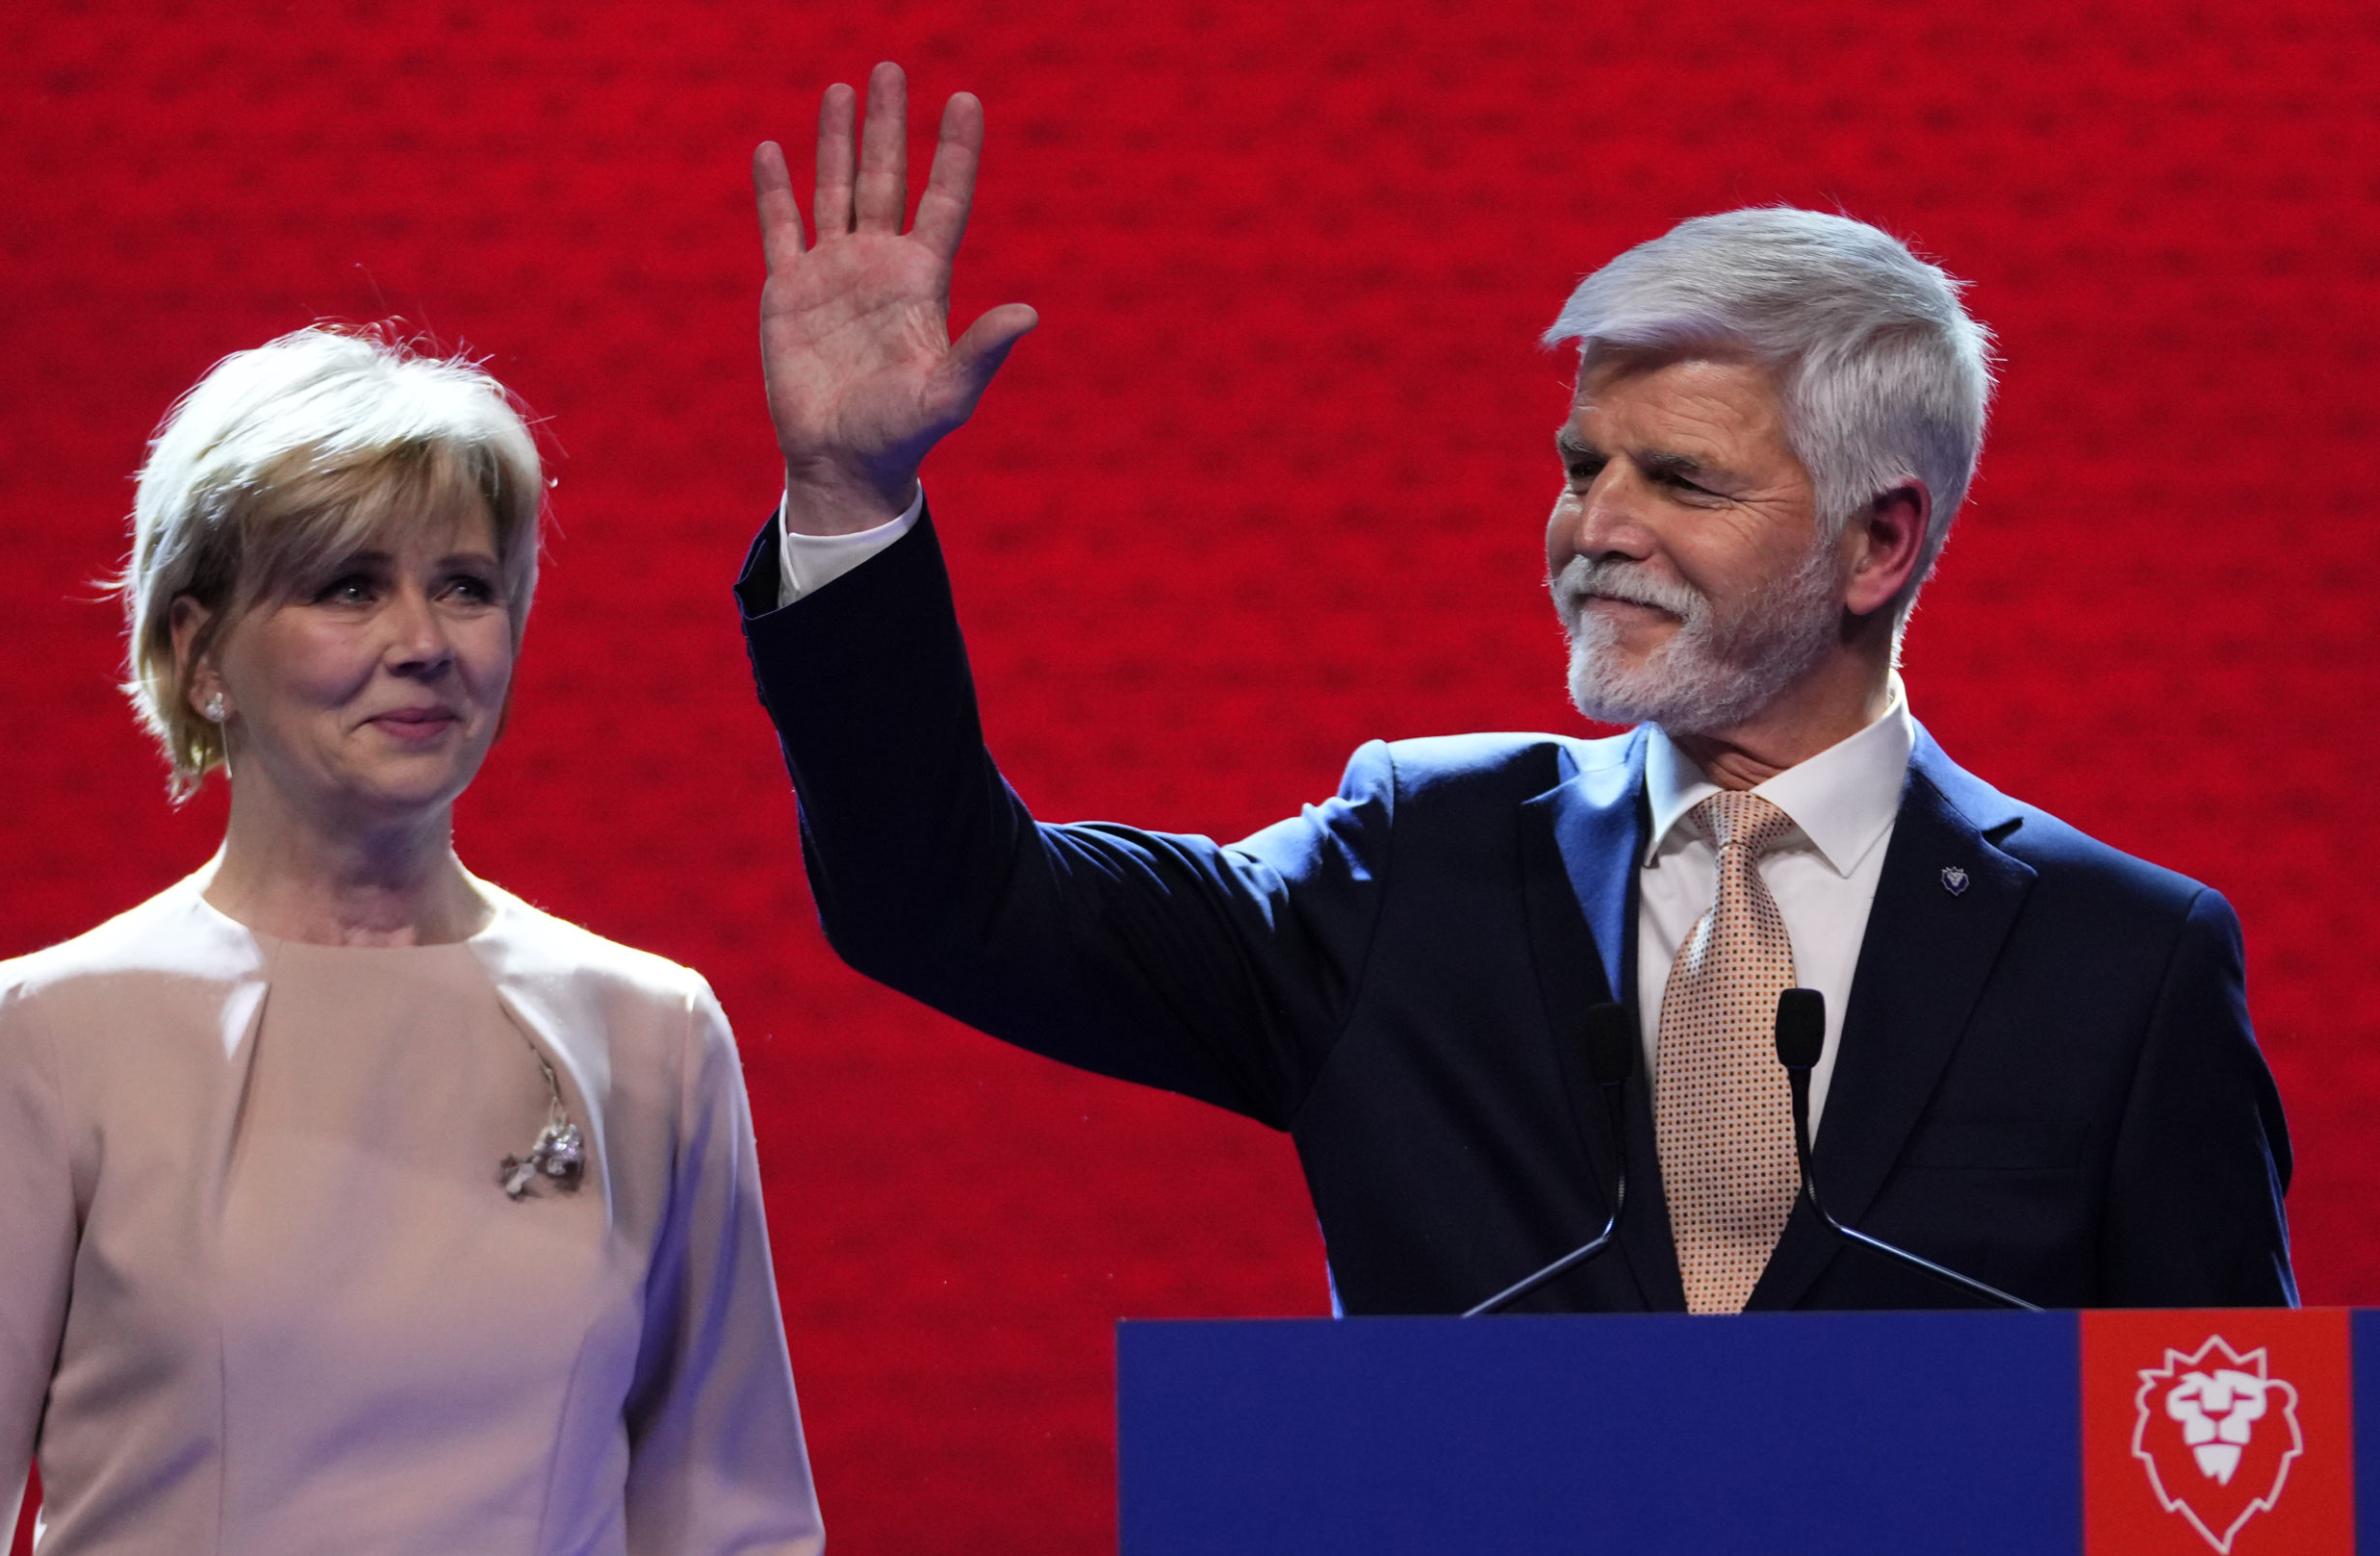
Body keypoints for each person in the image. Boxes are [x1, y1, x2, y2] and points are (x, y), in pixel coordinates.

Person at [734, 65, 2293, 1314]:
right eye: (1579, 466)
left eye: (1679, 479)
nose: (1593, 527)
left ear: (1878, 541)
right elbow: (946, 904)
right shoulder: (1414, 861)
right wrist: (850, 502)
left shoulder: (2126, 966)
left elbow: (2226, 1525)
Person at [0, 329, 825, 1556]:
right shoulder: (51, 1036)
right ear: (201, 650)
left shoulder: (653, 1032)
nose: (422, 641)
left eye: (464, 585)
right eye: (348, 588)